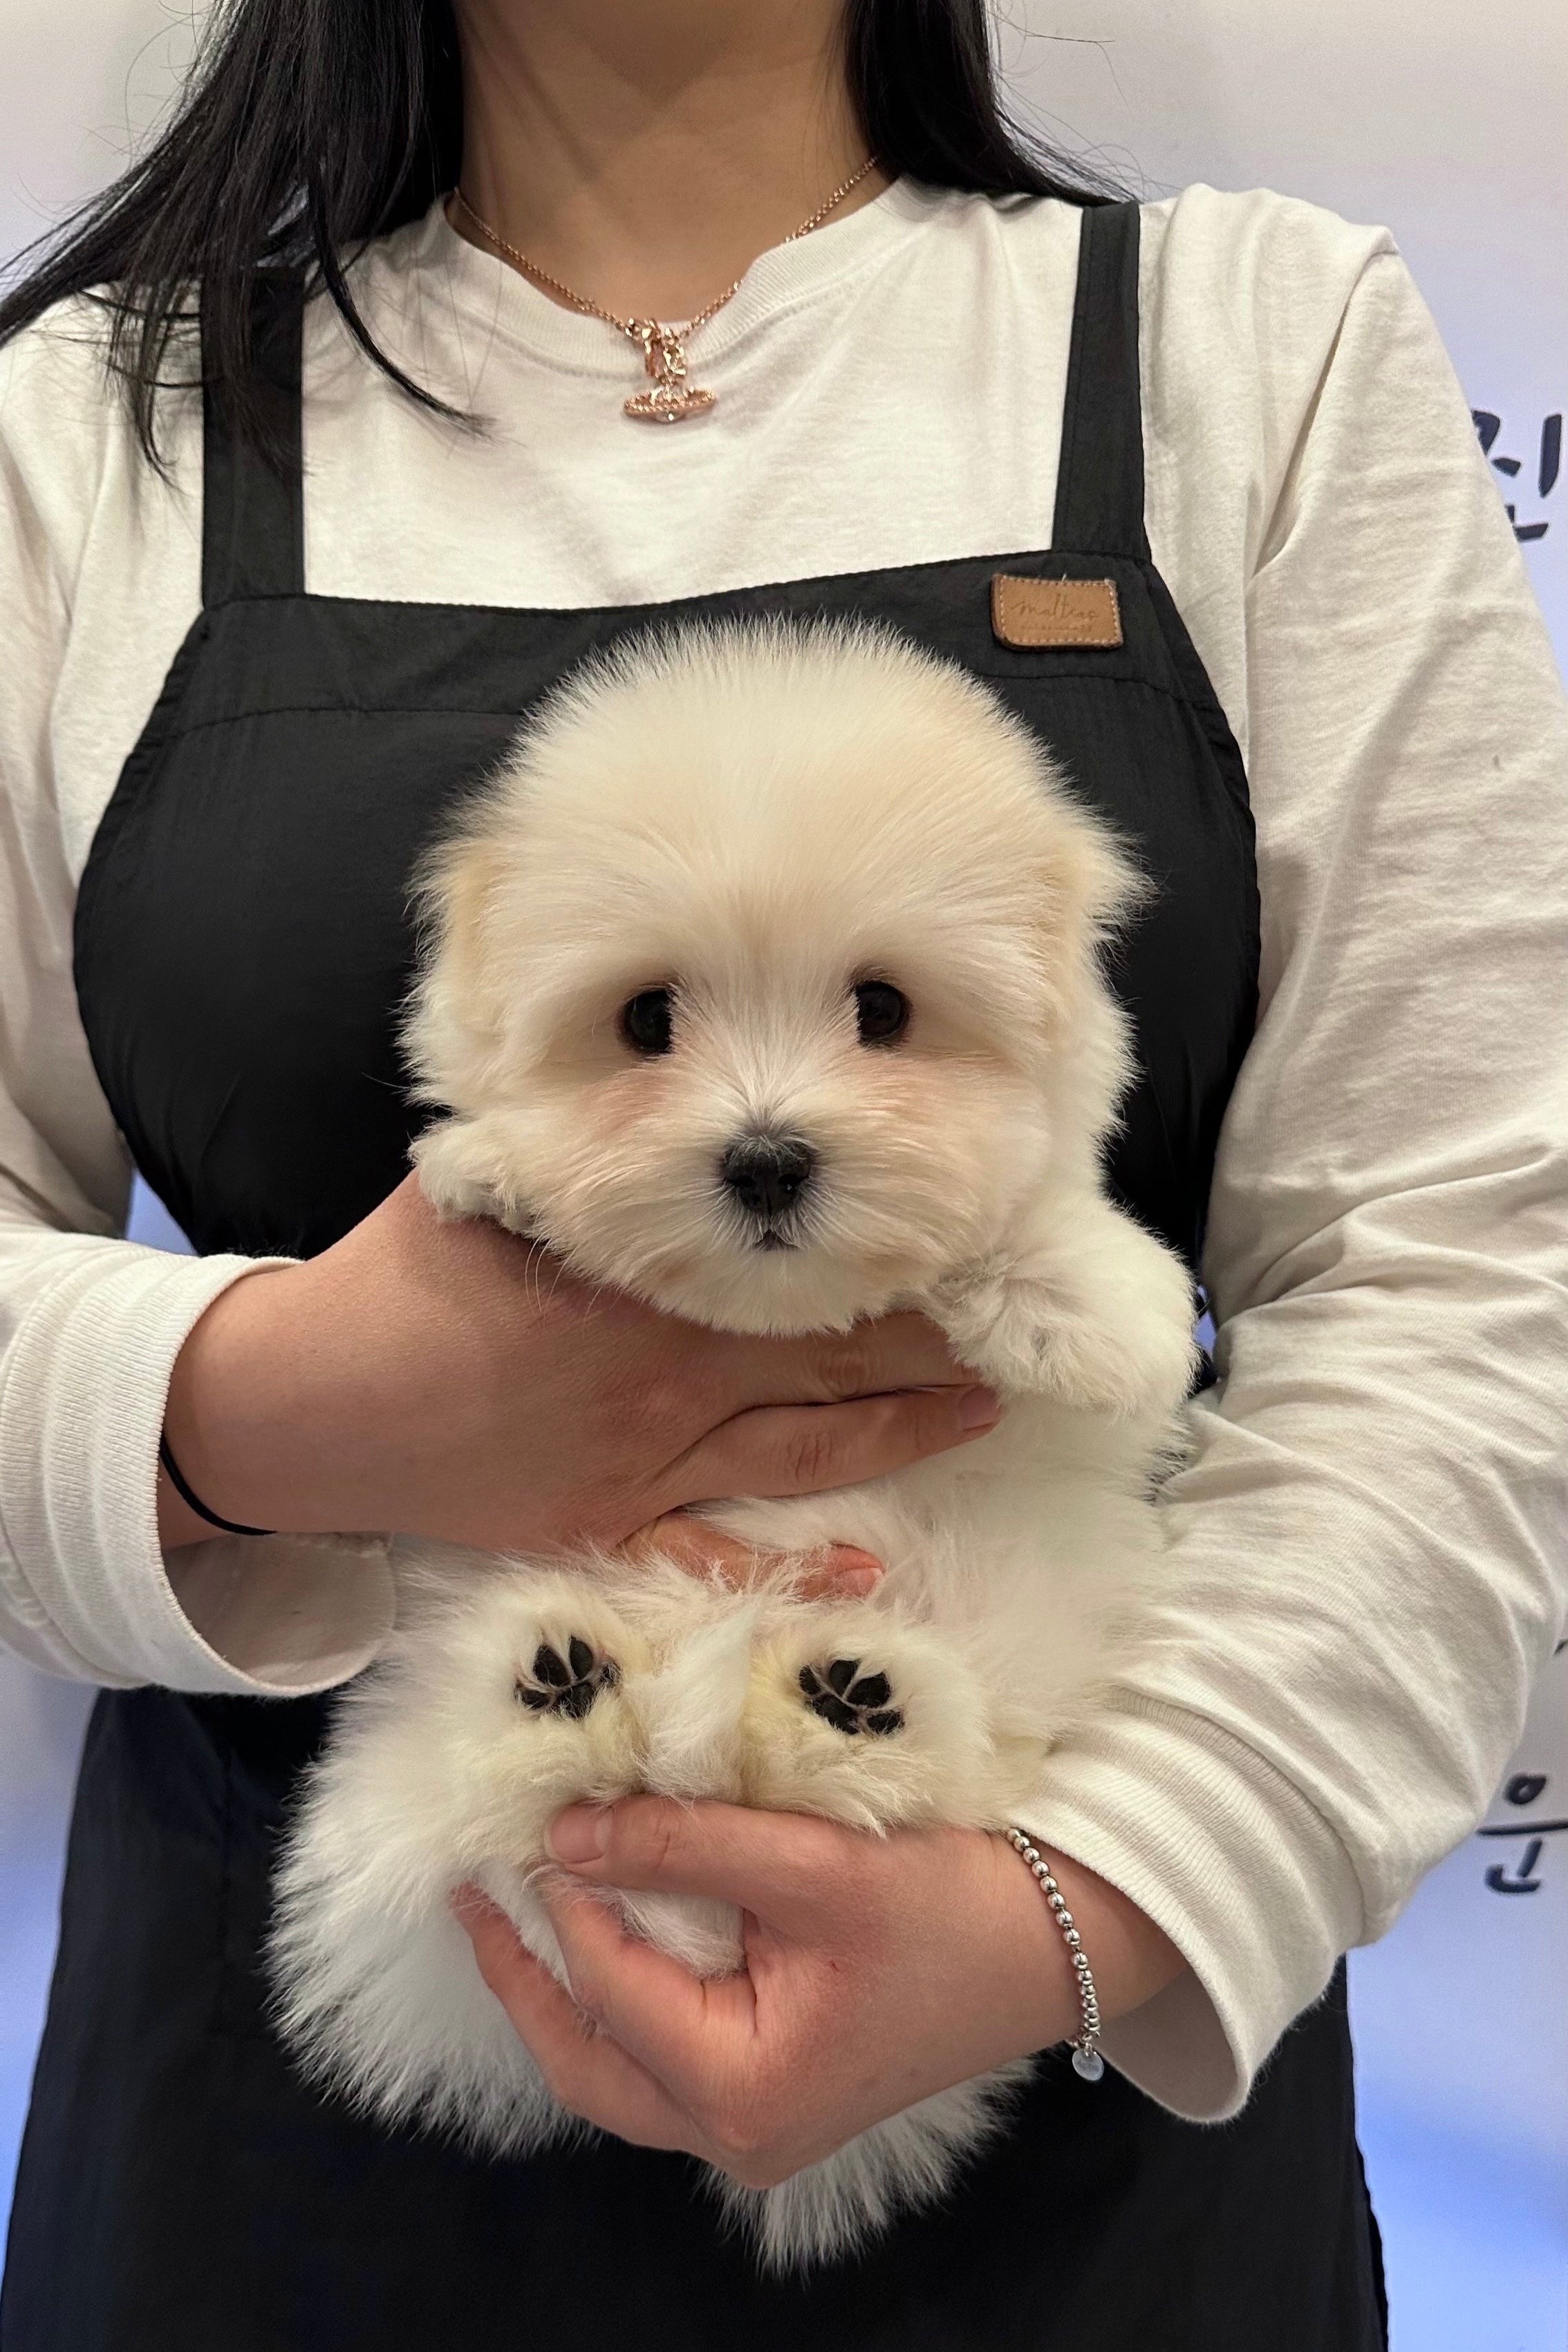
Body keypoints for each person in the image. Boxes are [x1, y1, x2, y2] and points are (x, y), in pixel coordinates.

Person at [0, 1, 1563, 2344]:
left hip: (1091, 2148)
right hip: (280, 2156)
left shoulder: (1255, 349)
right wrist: (279, 1397)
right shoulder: (79, 421)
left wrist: (1097, 1895)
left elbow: (1476, 1252)